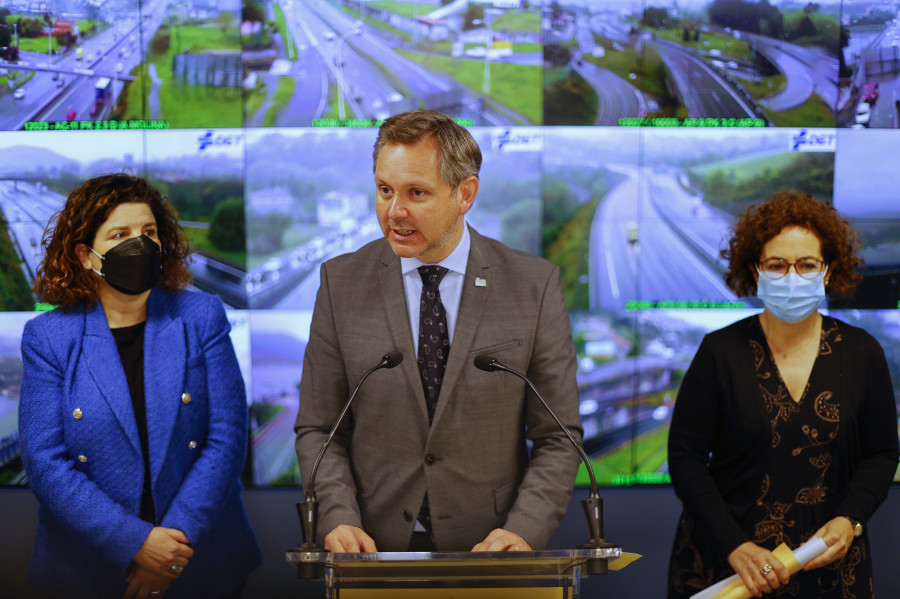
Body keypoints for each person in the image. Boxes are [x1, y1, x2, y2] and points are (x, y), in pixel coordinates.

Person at [294, 110, 583, 553]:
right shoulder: (341, 283)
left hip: (491, 552)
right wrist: (337, 517)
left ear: (464, 194)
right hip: (372, 550)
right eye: (384, 190)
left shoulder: (533, 286)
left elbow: (558, 436)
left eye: (417, 193)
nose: (395, 212)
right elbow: (319, 428)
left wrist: (524, 530)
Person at [19, 174, 261, 599]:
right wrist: (136, 544)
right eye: (121, 234)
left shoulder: (200, 315)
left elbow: (227, 438)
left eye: (149, 232)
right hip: (88, 569)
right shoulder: (49, 337)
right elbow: (45, 463)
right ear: (86, 255)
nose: (141, 244)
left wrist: (169, 549)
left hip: (199, 562)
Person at [667, 191, 899, 598]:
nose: (792, 276)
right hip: (731, 568)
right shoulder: (719, 352)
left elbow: (881, 454)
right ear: (756, 271)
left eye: (807, 264)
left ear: (828, 271)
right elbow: (685, 459)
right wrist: (735, 546)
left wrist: (852, 520)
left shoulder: (862, 352)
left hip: (829, 568)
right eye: (777, 265)